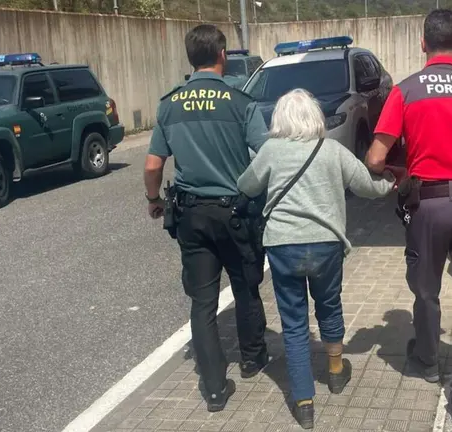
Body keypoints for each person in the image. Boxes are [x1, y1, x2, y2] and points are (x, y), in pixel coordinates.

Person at [364, 9, 452, 431]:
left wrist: (396, 172)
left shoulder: (405, 91)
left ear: (423, 44)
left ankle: (425, 358)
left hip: (430, 203)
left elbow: (375, 157)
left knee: (425, 288)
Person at [237, 88, 398, 429]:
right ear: (315, 117)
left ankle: (304, 401)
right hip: (326, 245)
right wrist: (391, 183)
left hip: (283, 246)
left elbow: (247, 186)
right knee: (329, 305)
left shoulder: (270, 150)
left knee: (294, 324)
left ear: (279, 120)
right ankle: (336, 372)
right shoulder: (332, 151)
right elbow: (365, 185)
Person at [143, 24, 270, 412]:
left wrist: (154, 199)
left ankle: (214, 388)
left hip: (191, 213)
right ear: (223, 55)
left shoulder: (170, 104)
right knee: (246, 286)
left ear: (190, 58)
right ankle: (252, 358)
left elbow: (152, 165)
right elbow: (266, 157)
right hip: (235, 211)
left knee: (202, 302)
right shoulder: (239, 100)